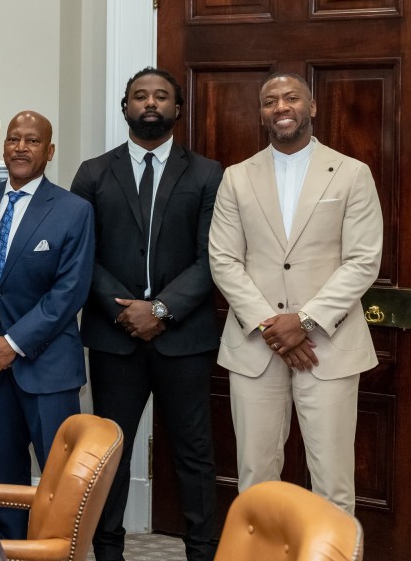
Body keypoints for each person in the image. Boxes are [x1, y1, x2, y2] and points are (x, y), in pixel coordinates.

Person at [210, 72, 381, 513]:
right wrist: (273, 327)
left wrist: (302, 322)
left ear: (312, 106)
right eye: (270, 101)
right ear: (262, 113)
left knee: (333, 484)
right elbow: (224, 261)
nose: (281, 107)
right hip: (255, 349)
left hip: (330, 347)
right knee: (255, 481)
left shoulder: (351, 172)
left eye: (291, 97)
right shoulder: (236, 177)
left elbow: (363, 260)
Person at [70, 68, 222, 561]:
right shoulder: (92, 173)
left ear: (178, 108)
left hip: (185, 339)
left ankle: (202, 550)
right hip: (115, 340)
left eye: (161, 96)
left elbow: (212, 257)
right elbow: (81, 254)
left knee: (193, 454)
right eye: (140, 96)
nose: (150, 103)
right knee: (111, 453)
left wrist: (160, 309)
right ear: (125, 107)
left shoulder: (207, 174)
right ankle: (108, 550)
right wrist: (126, 312)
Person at [0, 110, 94, 539]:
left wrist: (12, 342)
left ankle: (54, 550)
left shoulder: (74, 210)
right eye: (14, 139)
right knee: (3, 479)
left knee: (58, 480)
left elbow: (69, 293)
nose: (20, 148)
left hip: (48, 369)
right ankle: (9, 548)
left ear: (49, 152)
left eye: (32, 141)